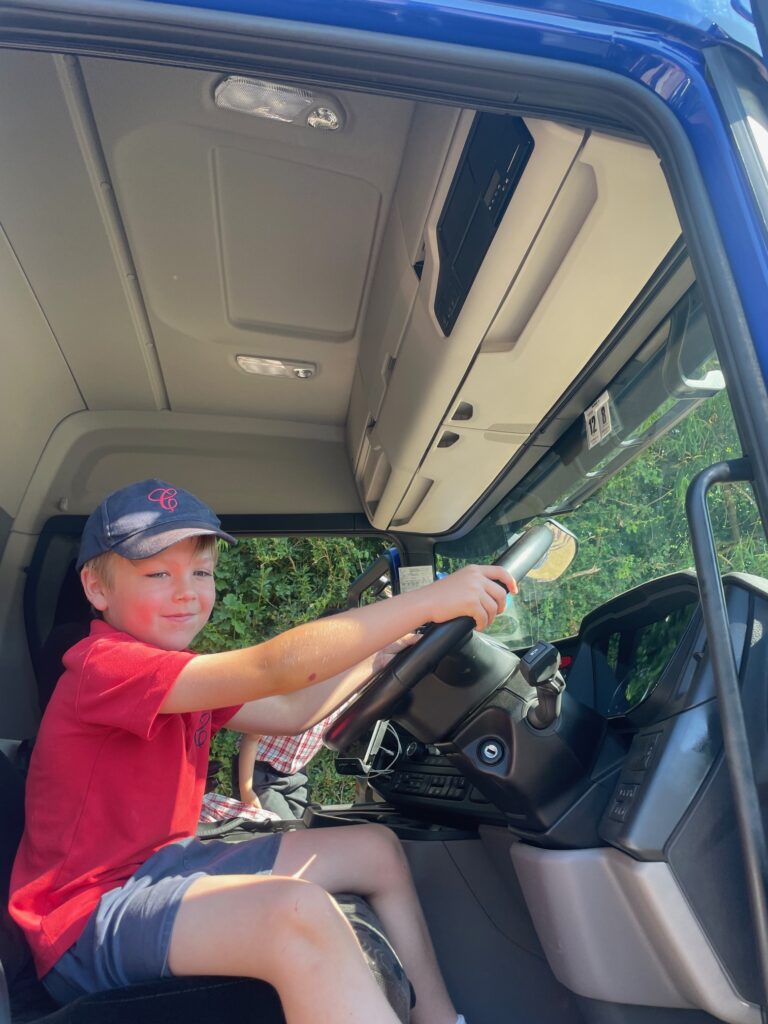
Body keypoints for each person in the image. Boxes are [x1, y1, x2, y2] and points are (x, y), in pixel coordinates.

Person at [9, 479, 516, 1024]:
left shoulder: (175, 675)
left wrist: (380, 656)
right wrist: (423, 603)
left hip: (165, 866)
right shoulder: (105, 666)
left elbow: (290, 710)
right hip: (84, 916)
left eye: (200, 572)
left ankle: (438, 1019)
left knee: (375, 848)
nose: (187, 592)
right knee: (296, 913)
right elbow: (276, 668)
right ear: (96, 588)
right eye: (158, 574)